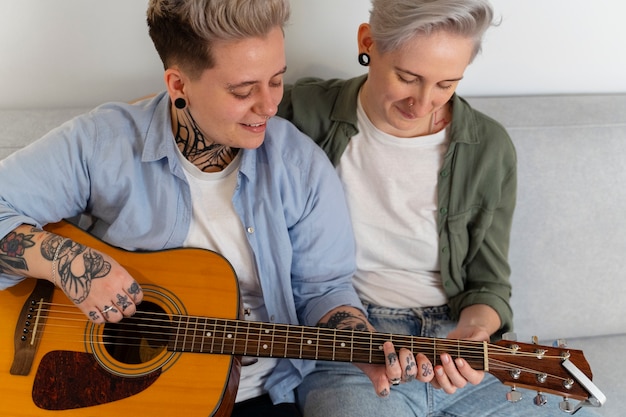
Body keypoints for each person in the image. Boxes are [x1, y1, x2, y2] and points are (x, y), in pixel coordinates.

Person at [0, 0, 409, 415]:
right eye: (243, 90)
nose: (269, 106)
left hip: (257, 395)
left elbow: (323, 290)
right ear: (178, 85)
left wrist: (362, 346)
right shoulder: (103, 143)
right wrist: (66, 260)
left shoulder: (299, 165)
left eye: (277, 80)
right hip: (105, 390)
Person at [278, 0, 603, 416]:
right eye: (407, 77)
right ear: (368, 42)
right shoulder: (302, 115)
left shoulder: (489, 147)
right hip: (353, 343)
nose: (424, 102)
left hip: (456, 344)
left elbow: (489, 283)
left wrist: (474, 331)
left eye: (447, 84)